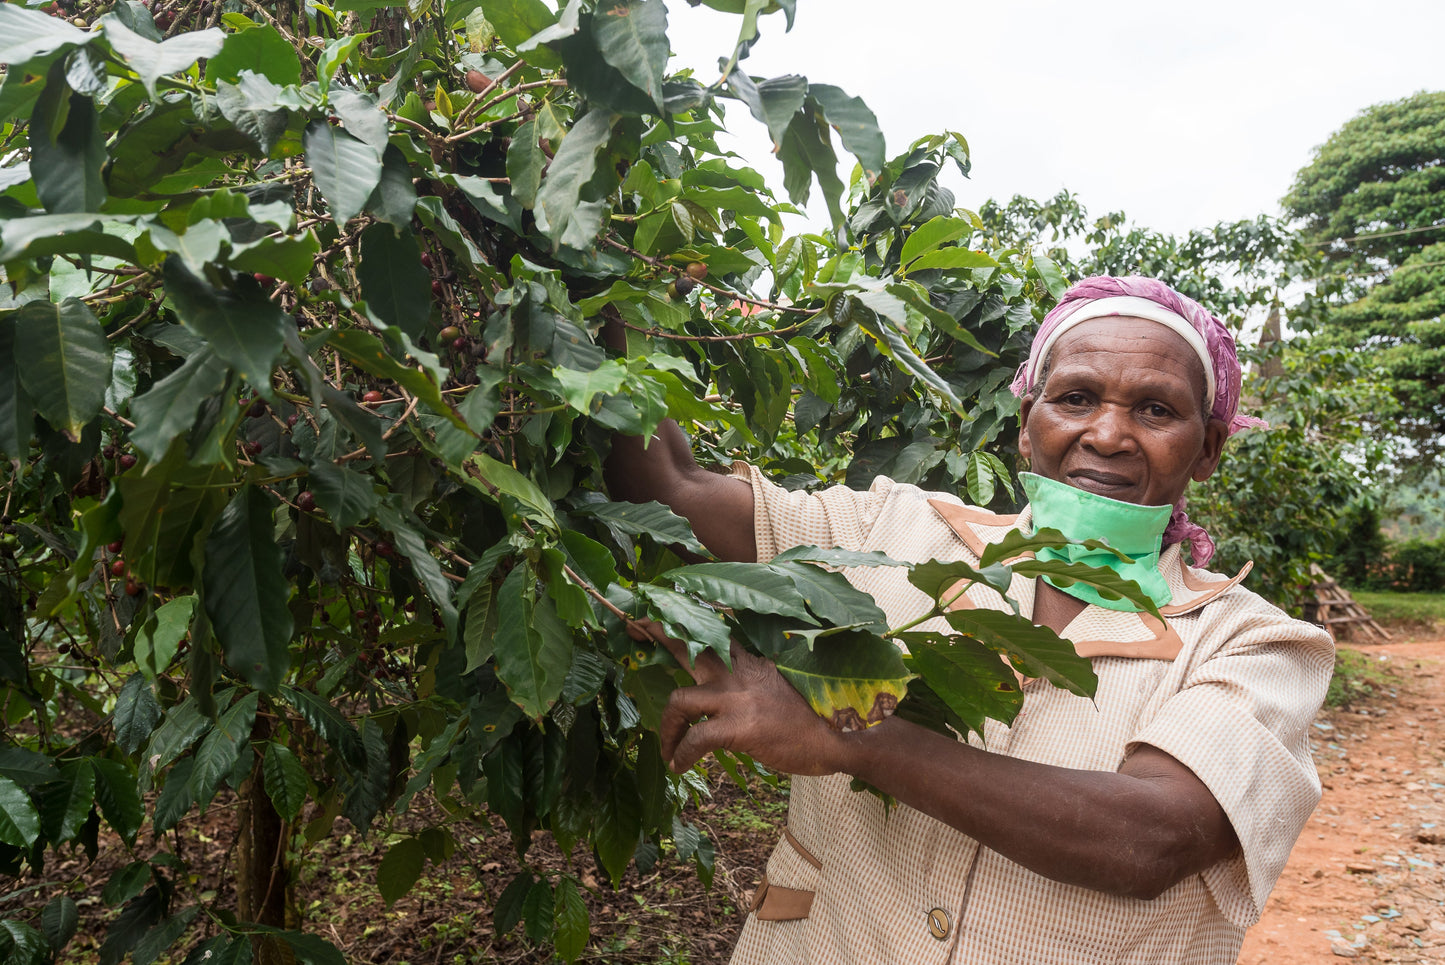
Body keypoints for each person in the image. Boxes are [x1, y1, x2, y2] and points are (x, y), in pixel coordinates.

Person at [603, 275, 1333, 965]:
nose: (1108, 434)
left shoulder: (1255, 641)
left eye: (1155, 409)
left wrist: (848, 733)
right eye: (1075, 398)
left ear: (1205, 448)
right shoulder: (893, 528)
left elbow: (1150, 837)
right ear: (1025, 426)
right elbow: (672, 488)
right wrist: (593, 279)